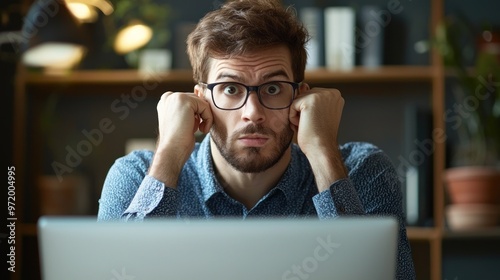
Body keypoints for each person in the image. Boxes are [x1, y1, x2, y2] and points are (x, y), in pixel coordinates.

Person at [97, 0, 416, 279]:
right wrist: (168, 153)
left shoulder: (362, 172)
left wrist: (322, 153)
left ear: (301, 99)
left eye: (274, 88)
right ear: (199, 102)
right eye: (231, 89)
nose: (253, 113)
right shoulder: (136, 176)